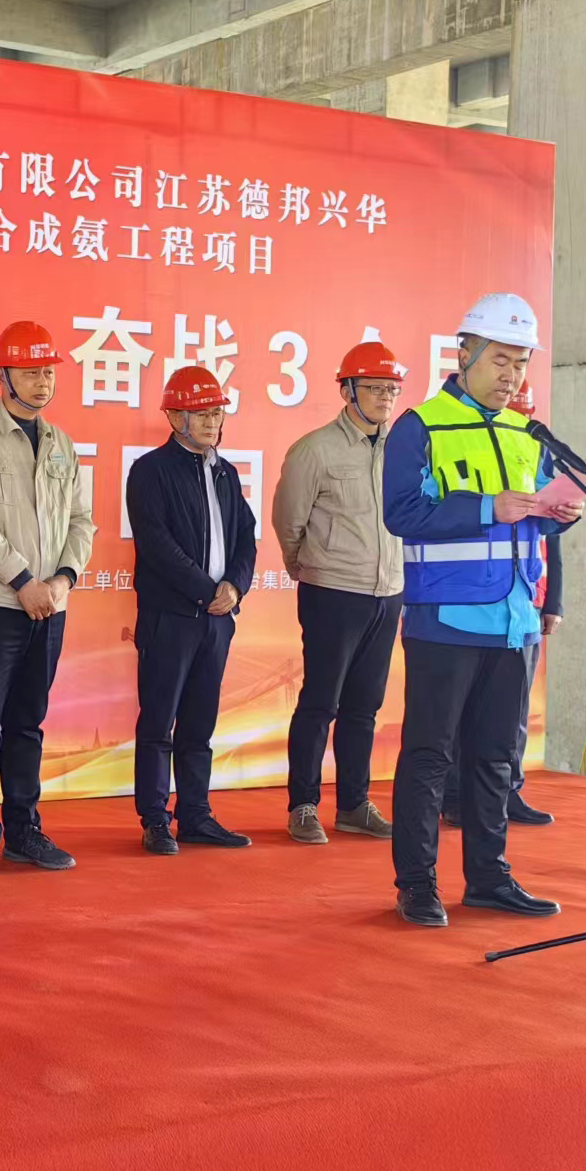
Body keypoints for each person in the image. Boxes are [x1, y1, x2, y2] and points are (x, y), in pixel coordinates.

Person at [382, 293, 582, 928]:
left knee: (497, 756)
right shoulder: (421, 426)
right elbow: (401, 514)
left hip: (515, 618)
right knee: (430, 755)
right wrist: (487, 507)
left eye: (521, 364)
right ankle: (417, 884)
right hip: (445, 618)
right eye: (500, 360)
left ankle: (489, 878)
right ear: (464, 354)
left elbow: (536, 517)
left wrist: (560, 515)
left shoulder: (528, 435)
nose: (511, 376)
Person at [0, 321, 94, 876]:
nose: (42, 382)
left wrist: (62, 580)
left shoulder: (61, 444)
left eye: (48, 372)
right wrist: (22, 580)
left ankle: (24, 830)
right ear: (2, 376)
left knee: (29, 722)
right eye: (29, 373)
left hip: (49, 604)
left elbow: (82, 521)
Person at [272, 342, 406, 846]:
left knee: (364, 706)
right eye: (375, 388)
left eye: (392, 389)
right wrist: (307, 566)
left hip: (387, 593)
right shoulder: (315, 450)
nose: (385, 397)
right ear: (347, 390)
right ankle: (303, 805)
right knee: (320, 702)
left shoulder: (403, 450)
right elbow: (289, 521)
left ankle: (353, 804)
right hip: (332, 591)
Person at [126, 365, 258, 855]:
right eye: (200, 413)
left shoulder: (226, 472)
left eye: (217, 412)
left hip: (218, 619)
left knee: (200, 724)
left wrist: (235, 588)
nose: (211, 421)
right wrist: (207, 591)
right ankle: (155, 819)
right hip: (171, 617)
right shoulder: (150, 471)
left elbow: (245, 537)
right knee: (158, 723)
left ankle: (196, 814)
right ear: (174, 417)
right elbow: (157, 546)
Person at [442, 377, 562, 829]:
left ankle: (508, 792)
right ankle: (457, 796)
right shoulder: (473, 450)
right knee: (462, 714)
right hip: (470, 602)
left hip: (524, 604)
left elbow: (552, 541)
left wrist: (554, 602)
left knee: (513, 713)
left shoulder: (535, 453)